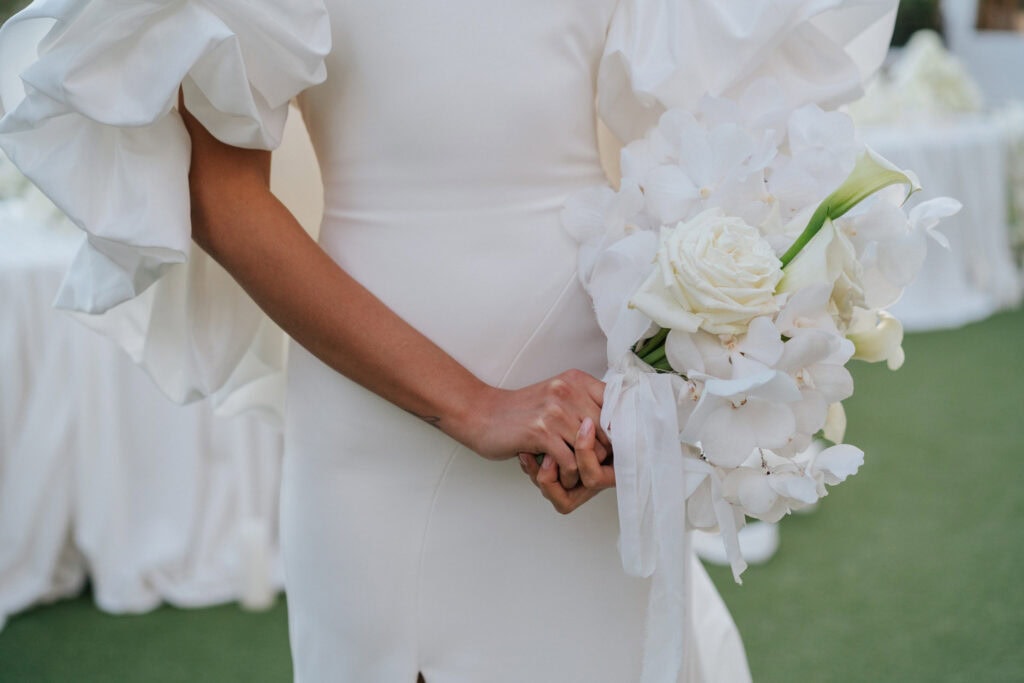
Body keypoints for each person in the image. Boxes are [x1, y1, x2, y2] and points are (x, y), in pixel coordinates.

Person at [0, 0, 896, 680]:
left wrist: (674, 359)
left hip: (589, 397)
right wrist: (474, 406)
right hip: (375, 422)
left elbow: (711, 134)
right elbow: (223, 200)